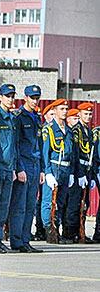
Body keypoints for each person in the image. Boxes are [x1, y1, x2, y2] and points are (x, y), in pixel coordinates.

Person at [8, 85, 44, 253]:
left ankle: (25, 240)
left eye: (37, 98)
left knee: (30, 205)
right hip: (24, 164)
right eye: (32, 98)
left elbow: (40, 144)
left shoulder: (36, 117)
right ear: (25, 98)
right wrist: (19, 168)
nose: (35, 101)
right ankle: (16, 241)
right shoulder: (19, 117)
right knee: (19, 205)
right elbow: (15, 145)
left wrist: (43, 169)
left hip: (35, 165)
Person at [41, 99, 75, 244]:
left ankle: (57, 228)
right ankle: (49, 231)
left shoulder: (68, 130)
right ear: (54, 110)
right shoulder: (48, 129)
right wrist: (47, 172)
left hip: (66, 169)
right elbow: (45, 153)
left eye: (66, 109)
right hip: (55, 167)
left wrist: (72, 172)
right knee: (49, 202)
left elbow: (73, 153)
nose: (65, 111)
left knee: (61, 202)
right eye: (62, 108)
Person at [65, 102, 95, 243]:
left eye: (90, 114)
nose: (88, 116)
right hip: (78, 171)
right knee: (74, 203)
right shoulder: (76, 130)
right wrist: (78, 173)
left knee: (85, 203)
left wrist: (92, 175)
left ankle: (80, 231)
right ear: (79, 114)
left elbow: (91, 154)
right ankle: (70, 233)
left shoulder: (88, 131)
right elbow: (75, 154)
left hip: (87, 171)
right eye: (85, 114)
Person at [0, 84, 17, 253]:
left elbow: (14, 146)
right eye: (7, 96)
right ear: (0, 97)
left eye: (12, 96)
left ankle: (0, 240)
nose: (10, 99)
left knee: (4, 206)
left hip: (9, 168)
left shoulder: (12, 118)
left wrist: (14, 168)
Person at [33, 103, 56, 241]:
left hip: (41, 168)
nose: (53, 117)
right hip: (37, 167)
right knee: (42, 201)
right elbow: (44, 152)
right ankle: (41, 231)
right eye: (51, 114)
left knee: (44, 200)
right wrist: (46, 170)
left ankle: (42, 230)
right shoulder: (45, 130)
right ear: (45, 116)